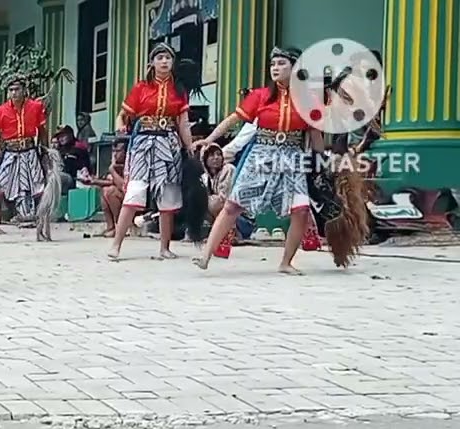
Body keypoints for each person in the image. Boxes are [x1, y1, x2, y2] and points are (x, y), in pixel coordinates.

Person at [192, 47, 327, 273]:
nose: (275, 68)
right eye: (273, 64)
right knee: (233, 205)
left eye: (281, 64)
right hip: (262, 155)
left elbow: (315, 135)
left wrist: (323, 162)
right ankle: (206, 256)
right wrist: (209, 139)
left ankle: (286, 263)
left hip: (292, 158)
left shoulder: (308, 100)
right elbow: (233, 119)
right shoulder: (261, 95)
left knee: (301, 210)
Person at [108, 43, 197, 261]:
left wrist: (190, 147)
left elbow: (183, 123)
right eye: (160, 58)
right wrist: (121, 125)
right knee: (134, 192)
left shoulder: (179, 90)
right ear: (152, 63)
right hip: (143, 144)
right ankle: (116, 245)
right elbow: (122, 115)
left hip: (168, 144)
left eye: (168, 58)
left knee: (168, 195)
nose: (164, 61)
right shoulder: (141, 88)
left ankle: (164, 248)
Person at [0, 76, 51, 244]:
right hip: (10, 153)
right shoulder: (1, 111)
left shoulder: (35, 107)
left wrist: (45, 150)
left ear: (24, 90)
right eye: (11, 90)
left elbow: (42, 130)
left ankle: (42, 231)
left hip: (30, 152)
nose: (14, 93)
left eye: (17, 89)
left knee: (40, 191)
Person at [87, 139, 128, 236]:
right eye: (113, 151)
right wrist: (93, 181)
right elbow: (110, 181)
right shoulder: (116, 164)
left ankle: (121, 226)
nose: (114, 154)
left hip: (132, 199)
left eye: (118, 151)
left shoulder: (130, 164)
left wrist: (112, 170)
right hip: (122, 195)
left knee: (111, 191)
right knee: (104, 190)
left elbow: (124, 186)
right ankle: (111, 227)